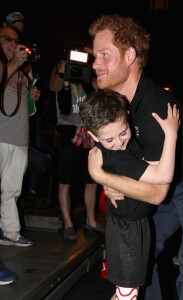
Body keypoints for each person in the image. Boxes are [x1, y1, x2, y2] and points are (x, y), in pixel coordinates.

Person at [87, 14, 183, 300]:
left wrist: (103, 176)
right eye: (94, 55)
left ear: (130, 56)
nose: (95, 63)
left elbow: (156, 194)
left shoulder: (155, 110)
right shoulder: (115, 104)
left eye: (104, 55)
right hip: (163, 178)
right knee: (143, 255)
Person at [79, 89, 180, 300]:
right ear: (93, 135)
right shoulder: (116, 157)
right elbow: (163, 174)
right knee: (127, 295)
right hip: (127, 231)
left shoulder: (121, 147)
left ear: (127, 115)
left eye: (123, 132)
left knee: (126, 293)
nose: (119, 142)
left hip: (131, 225)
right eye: (109, 139)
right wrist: (171, 134)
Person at [49, 48, 104, 241]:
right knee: (65, 183)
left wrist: (86, 79)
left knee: (92, 182)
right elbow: (63, 105)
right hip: (68, 137)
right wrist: (63, 75)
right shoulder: (60, 80)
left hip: (89, 137)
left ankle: (90, 220)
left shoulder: (90, 80)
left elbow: (95, 100)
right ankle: (68, 224)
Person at [0, 25, 40, 246]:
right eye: (6, 38)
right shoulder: (6, 65)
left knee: (12, 189)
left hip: (19, 137)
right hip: (0, 135)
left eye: (15, 40)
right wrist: (15, 63)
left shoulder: (25, 71)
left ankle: (10, 232)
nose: (12, 44)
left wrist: (32, 96)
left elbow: (28, 108)